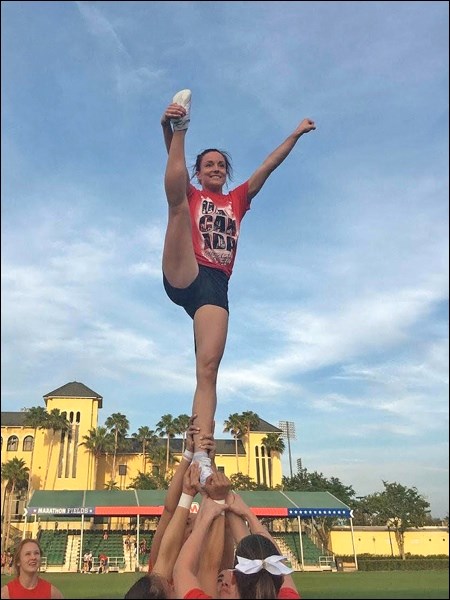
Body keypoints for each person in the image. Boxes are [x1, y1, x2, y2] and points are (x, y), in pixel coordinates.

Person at [161, 89, 316, 484]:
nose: (214, 168)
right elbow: (175, 170)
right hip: (185, 268)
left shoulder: (237, 200)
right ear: (198, 172)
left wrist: (296, 134)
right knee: (178, 205)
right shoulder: (193, 191)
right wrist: (171, 129)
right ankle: (183, 128)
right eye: (208, 164)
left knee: (208, 370)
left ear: (226, 173)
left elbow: (269, 165)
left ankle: (201, 452)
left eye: (219, 165)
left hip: (215, 285)